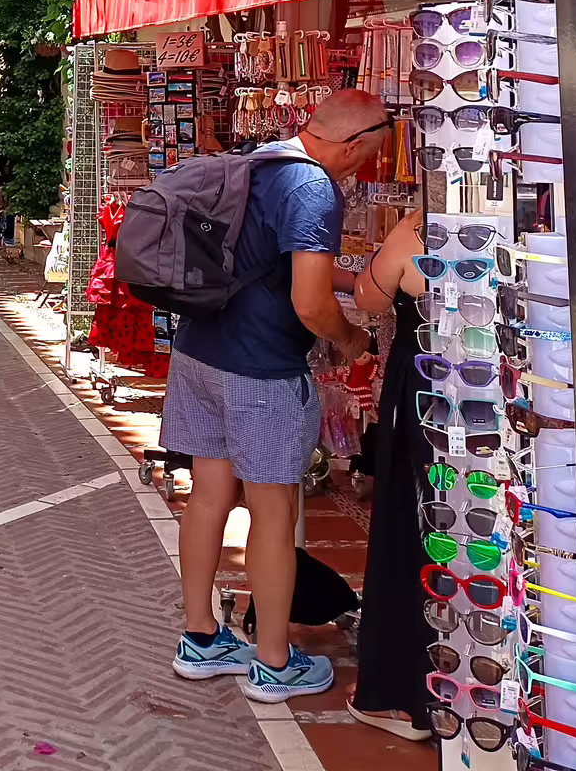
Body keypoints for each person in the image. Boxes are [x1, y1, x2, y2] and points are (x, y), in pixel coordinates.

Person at [167, 89, 388, 702]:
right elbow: (310, 303)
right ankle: (273, 662)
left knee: (208, 499)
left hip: (199, 354)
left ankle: (201, 638)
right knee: (274, 513)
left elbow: (280, 263)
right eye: (367, 158)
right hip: (260, 372)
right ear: (350, 144)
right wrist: (352, 340)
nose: (364, 171)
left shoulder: (261, 161)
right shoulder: (314, 189)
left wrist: (359, 279)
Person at [346, 210, 436, 741]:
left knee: (411, 525)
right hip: (506, 396)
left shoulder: (420, 230)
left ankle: (402, 694)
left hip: (426, 386)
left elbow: (370, 296)